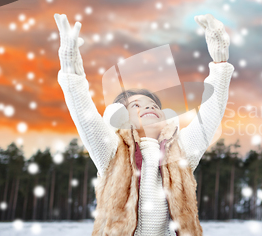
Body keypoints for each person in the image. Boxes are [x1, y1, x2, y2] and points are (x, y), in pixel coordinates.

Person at [54, 13, 234, 236]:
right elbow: (84, 115)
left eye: (152, 105)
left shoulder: (180, 151)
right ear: (122, 118)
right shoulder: (112, 151)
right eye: (136, 106)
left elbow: (210, 113)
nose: (149, 108)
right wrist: (71, 71)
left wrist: (220, 64)